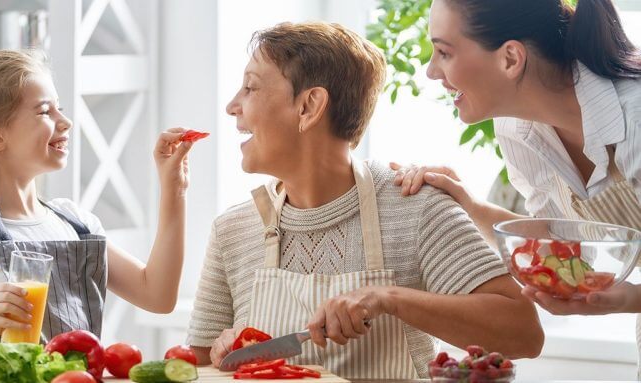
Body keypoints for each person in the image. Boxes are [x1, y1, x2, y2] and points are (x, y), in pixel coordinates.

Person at [186, 21, 543, 379]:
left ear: (309, 107)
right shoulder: (232, 231)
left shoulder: (416, 207)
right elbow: (197, 367)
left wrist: (388, 298)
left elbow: (524, 334)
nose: (233, 106)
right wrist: (223, 351)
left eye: (250, 88)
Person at [392, 0, 641, 376]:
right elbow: (561, 239)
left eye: (443, 52)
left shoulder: (635, 117)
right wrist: (467, 204)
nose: (430, 71)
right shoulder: (518, 131)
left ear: (510, 58)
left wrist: (629, 299)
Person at [0, 49, 200, 344]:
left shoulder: (76, 223)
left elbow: (157, 295)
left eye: (59, 108)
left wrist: (174, 190)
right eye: (44, 111)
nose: (66, 121)